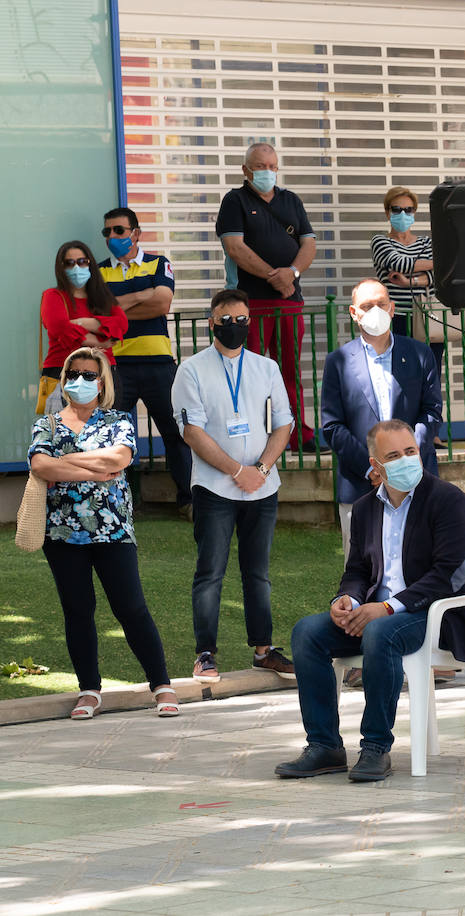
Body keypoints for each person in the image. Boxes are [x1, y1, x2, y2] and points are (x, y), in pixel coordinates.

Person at [276, 419, 465, 782]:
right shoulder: (364, 509)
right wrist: (347, 599)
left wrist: (388, 607)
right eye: (394, 455)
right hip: (377, 613)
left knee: (381, 634)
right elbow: (358, 569)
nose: (406, 459)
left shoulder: (446, 499)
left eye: (410, 451)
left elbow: (450, 574)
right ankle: (324, 746)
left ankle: (375, 747)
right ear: (375, 466)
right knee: (307, 632)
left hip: (434, 614)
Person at [28, 347, 177, 721]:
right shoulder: (46, 424)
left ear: (103, 381)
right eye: (74, 373)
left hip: (113, 529)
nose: (80, 381)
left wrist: (67, 462)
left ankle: (161, 684)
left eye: (89, 375)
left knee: (131, 607)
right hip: (61, 534)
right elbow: (41, 465)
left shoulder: (117, 420)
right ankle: (89, 690)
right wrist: (92, 470)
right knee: (78, 611)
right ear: (64, 379)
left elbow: (119, 459)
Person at [172, 289, 296, 684]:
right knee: (211, 571)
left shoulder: (266, 367)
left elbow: (283, 423)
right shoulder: (191, 370)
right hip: (214, 488)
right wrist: (235, 471)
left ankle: (263, 650)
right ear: (212, 322)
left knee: (257, 572)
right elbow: (192, 432)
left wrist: (259, 468)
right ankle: (205, 654)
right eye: (226, 320)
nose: (235, 327)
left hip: (262, 485)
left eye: (242, 319)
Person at [321, 280, 443, 554]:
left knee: (419, 563)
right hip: (361, 483)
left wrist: (406, 459)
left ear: (392, 308)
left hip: (415, 478)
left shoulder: (420, 353)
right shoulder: (337, 362)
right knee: (360, 571)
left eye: (380, 304)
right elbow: (332, 426)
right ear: (354, 313)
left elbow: (431, 411)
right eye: (366, 306)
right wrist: (373, 468)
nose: (375, 310)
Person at [215, 142, 320, 451]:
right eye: (261, 166)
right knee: (253, 372)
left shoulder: (291, 200)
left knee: (290, 369)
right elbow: (235, 247)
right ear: (246, 170)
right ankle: (260, 436)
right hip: (251, 303)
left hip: (289, 301)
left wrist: (293, 274)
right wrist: (275, 277)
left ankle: (298, 433)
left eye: (272, 166)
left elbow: (309, 244)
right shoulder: (235, 200)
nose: (268, 172)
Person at [98, 207, 193, 519]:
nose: (112, 237)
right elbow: (102, 316)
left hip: (159, 364)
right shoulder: (98, 273)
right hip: (116, 367)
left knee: (176, 434)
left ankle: (189, 500)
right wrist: (143, 295)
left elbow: (162, 302)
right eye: (107, 232)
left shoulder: (158, 263)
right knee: (113, 439)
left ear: (136, 233)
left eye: (119, 231)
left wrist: (119, 310)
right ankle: (116, 505)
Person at [39, 241, 127, 414]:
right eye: (69, 263)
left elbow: (121, 324)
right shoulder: (53, 295)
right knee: (65, 435)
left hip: (103, 374)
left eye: (82, 261)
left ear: (90, 263)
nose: (77, 267)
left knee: (104, 434)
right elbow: (59, 328)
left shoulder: (103, 298)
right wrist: (99, 339)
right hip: (63, 373)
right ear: (61, 267)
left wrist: (81, 322)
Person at [369, 186, 436, 350]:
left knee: (430, 370)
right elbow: (399, 263)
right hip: (396, 317)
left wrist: (409, 282)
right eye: (397, 209)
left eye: (408, 210)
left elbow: (440, 276)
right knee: (400, 370)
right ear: (387, 213)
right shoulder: (380, 241)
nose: (403, 214)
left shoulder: (426, 242)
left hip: (428, 316)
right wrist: (436, 264)